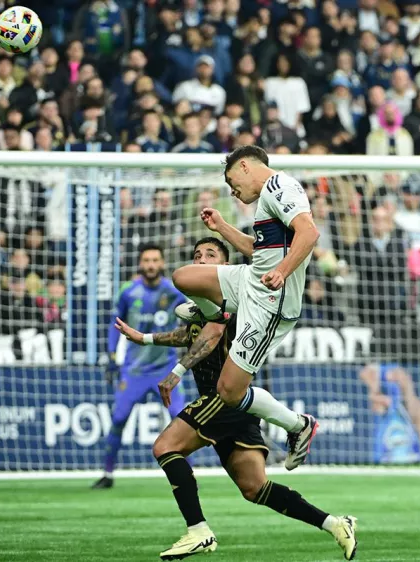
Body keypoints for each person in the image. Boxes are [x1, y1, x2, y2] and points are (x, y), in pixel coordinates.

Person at [114, 238, 357, 561]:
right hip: (238, 406)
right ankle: (335, 524)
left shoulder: (232, 298)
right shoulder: (205, 307)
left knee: (165, 447)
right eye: (196, 255)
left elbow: (211, 336)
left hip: (221, 398)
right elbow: (189, 334)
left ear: (226, 267)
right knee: (255, 488)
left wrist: (177, 370)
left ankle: (197, 530)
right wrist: (143, 338)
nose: (201, 259)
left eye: (210, 255)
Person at [170, 145, 319, 471]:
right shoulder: (268, 197)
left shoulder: (280, 186)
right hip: (251, 281)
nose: (230, 189)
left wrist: (282, 271)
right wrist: (222, 227)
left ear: (246, 166)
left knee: (229, 391)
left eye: (231, 179)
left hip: (269, 304)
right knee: (183, 276)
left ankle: (299, 426)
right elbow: (259, 251)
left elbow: (309, 233)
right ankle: (214, 313)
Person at [91, 243, 187, 489]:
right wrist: (112, 356)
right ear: (140, 264)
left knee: (181, 419)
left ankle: (188, 473)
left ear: (163, 263)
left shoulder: (175, 292)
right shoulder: (128, 292)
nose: (151, 265)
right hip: (133, 371)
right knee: (119, 418)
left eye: (155, 260)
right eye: (147, 260)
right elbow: (116, 323)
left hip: (166, 369)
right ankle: (107, 473)